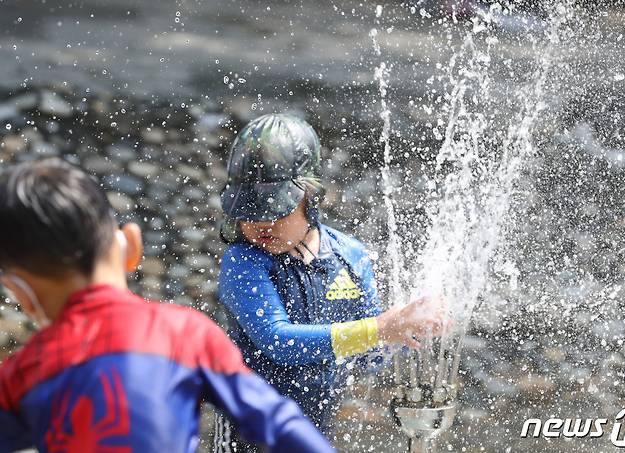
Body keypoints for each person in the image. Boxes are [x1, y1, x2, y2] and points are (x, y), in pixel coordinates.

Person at [0, 158, 334, 453]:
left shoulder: (26, 372)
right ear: (132, 245)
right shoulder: (187, 334)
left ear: (20, 293)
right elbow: (276, 422)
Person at [217, 114, 447, 433]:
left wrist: (409, 325)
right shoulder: (243, 261)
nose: (260, 224)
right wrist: (380, 328)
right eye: (249, 211)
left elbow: (370, 358)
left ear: (310, 197)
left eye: (275, 209)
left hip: (312, 431)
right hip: (247, 433)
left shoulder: (349, 256)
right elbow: (278, 342)